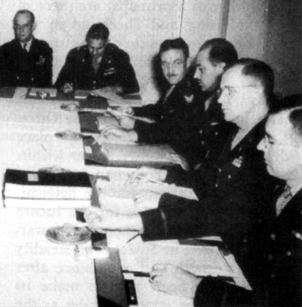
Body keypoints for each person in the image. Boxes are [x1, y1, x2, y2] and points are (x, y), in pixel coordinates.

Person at [86, 59, 277, 279]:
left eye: (229, 91)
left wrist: (145, 210)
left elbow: (224, 215)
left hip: (240, 261)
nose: (220, 98)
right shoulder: (233, 131)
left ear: (255, 94)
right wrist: (164, 175)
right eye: (221, 90)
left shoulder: (268, 149)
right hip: (213, 237)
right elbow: (206, 181)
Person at [148, 96, 302, 307]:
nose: (259, 146)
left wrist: (196, 287)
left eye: (271, 140)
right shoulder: (280, 188)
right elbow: (227, 217)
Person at [102, 38, 201, 164]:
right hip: (166, 150)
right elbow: (159, 109)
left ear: (187, 62)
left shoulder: (190, 91)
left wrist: (134, 126)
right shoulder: (176, 86)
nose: (170, 70)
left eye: (177, 63)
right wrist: (133, 111)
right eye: (165, 63)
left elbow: (171, 132)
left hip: (182, 160)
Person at [190, 38, 239, 168]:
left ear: (220, 68)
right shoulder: (204, 98)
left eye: (201, 69)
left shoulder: (230, 109)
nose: (195, 76)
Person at [54, 23, 139, 95]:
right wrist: (64, 87)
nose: (94, 52)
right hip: (81, 104)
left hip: (110, 106)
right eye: (91, 47)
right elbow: (58, 85)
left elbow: (134, 86)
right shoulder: (75, 55)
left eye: (99, 48)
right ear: (86, 41)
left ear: (107, 42)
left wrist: (117, 89)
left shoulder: (119, 56)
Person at [0, 10, 53, 87]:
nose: (21, 30)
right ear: (14, 27)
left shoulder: (43, 48)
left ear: (33, 27)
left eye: (25, 26)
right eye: (18, 26)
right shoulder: (5, 50)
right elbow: (2, 83)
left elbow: (46, 81)